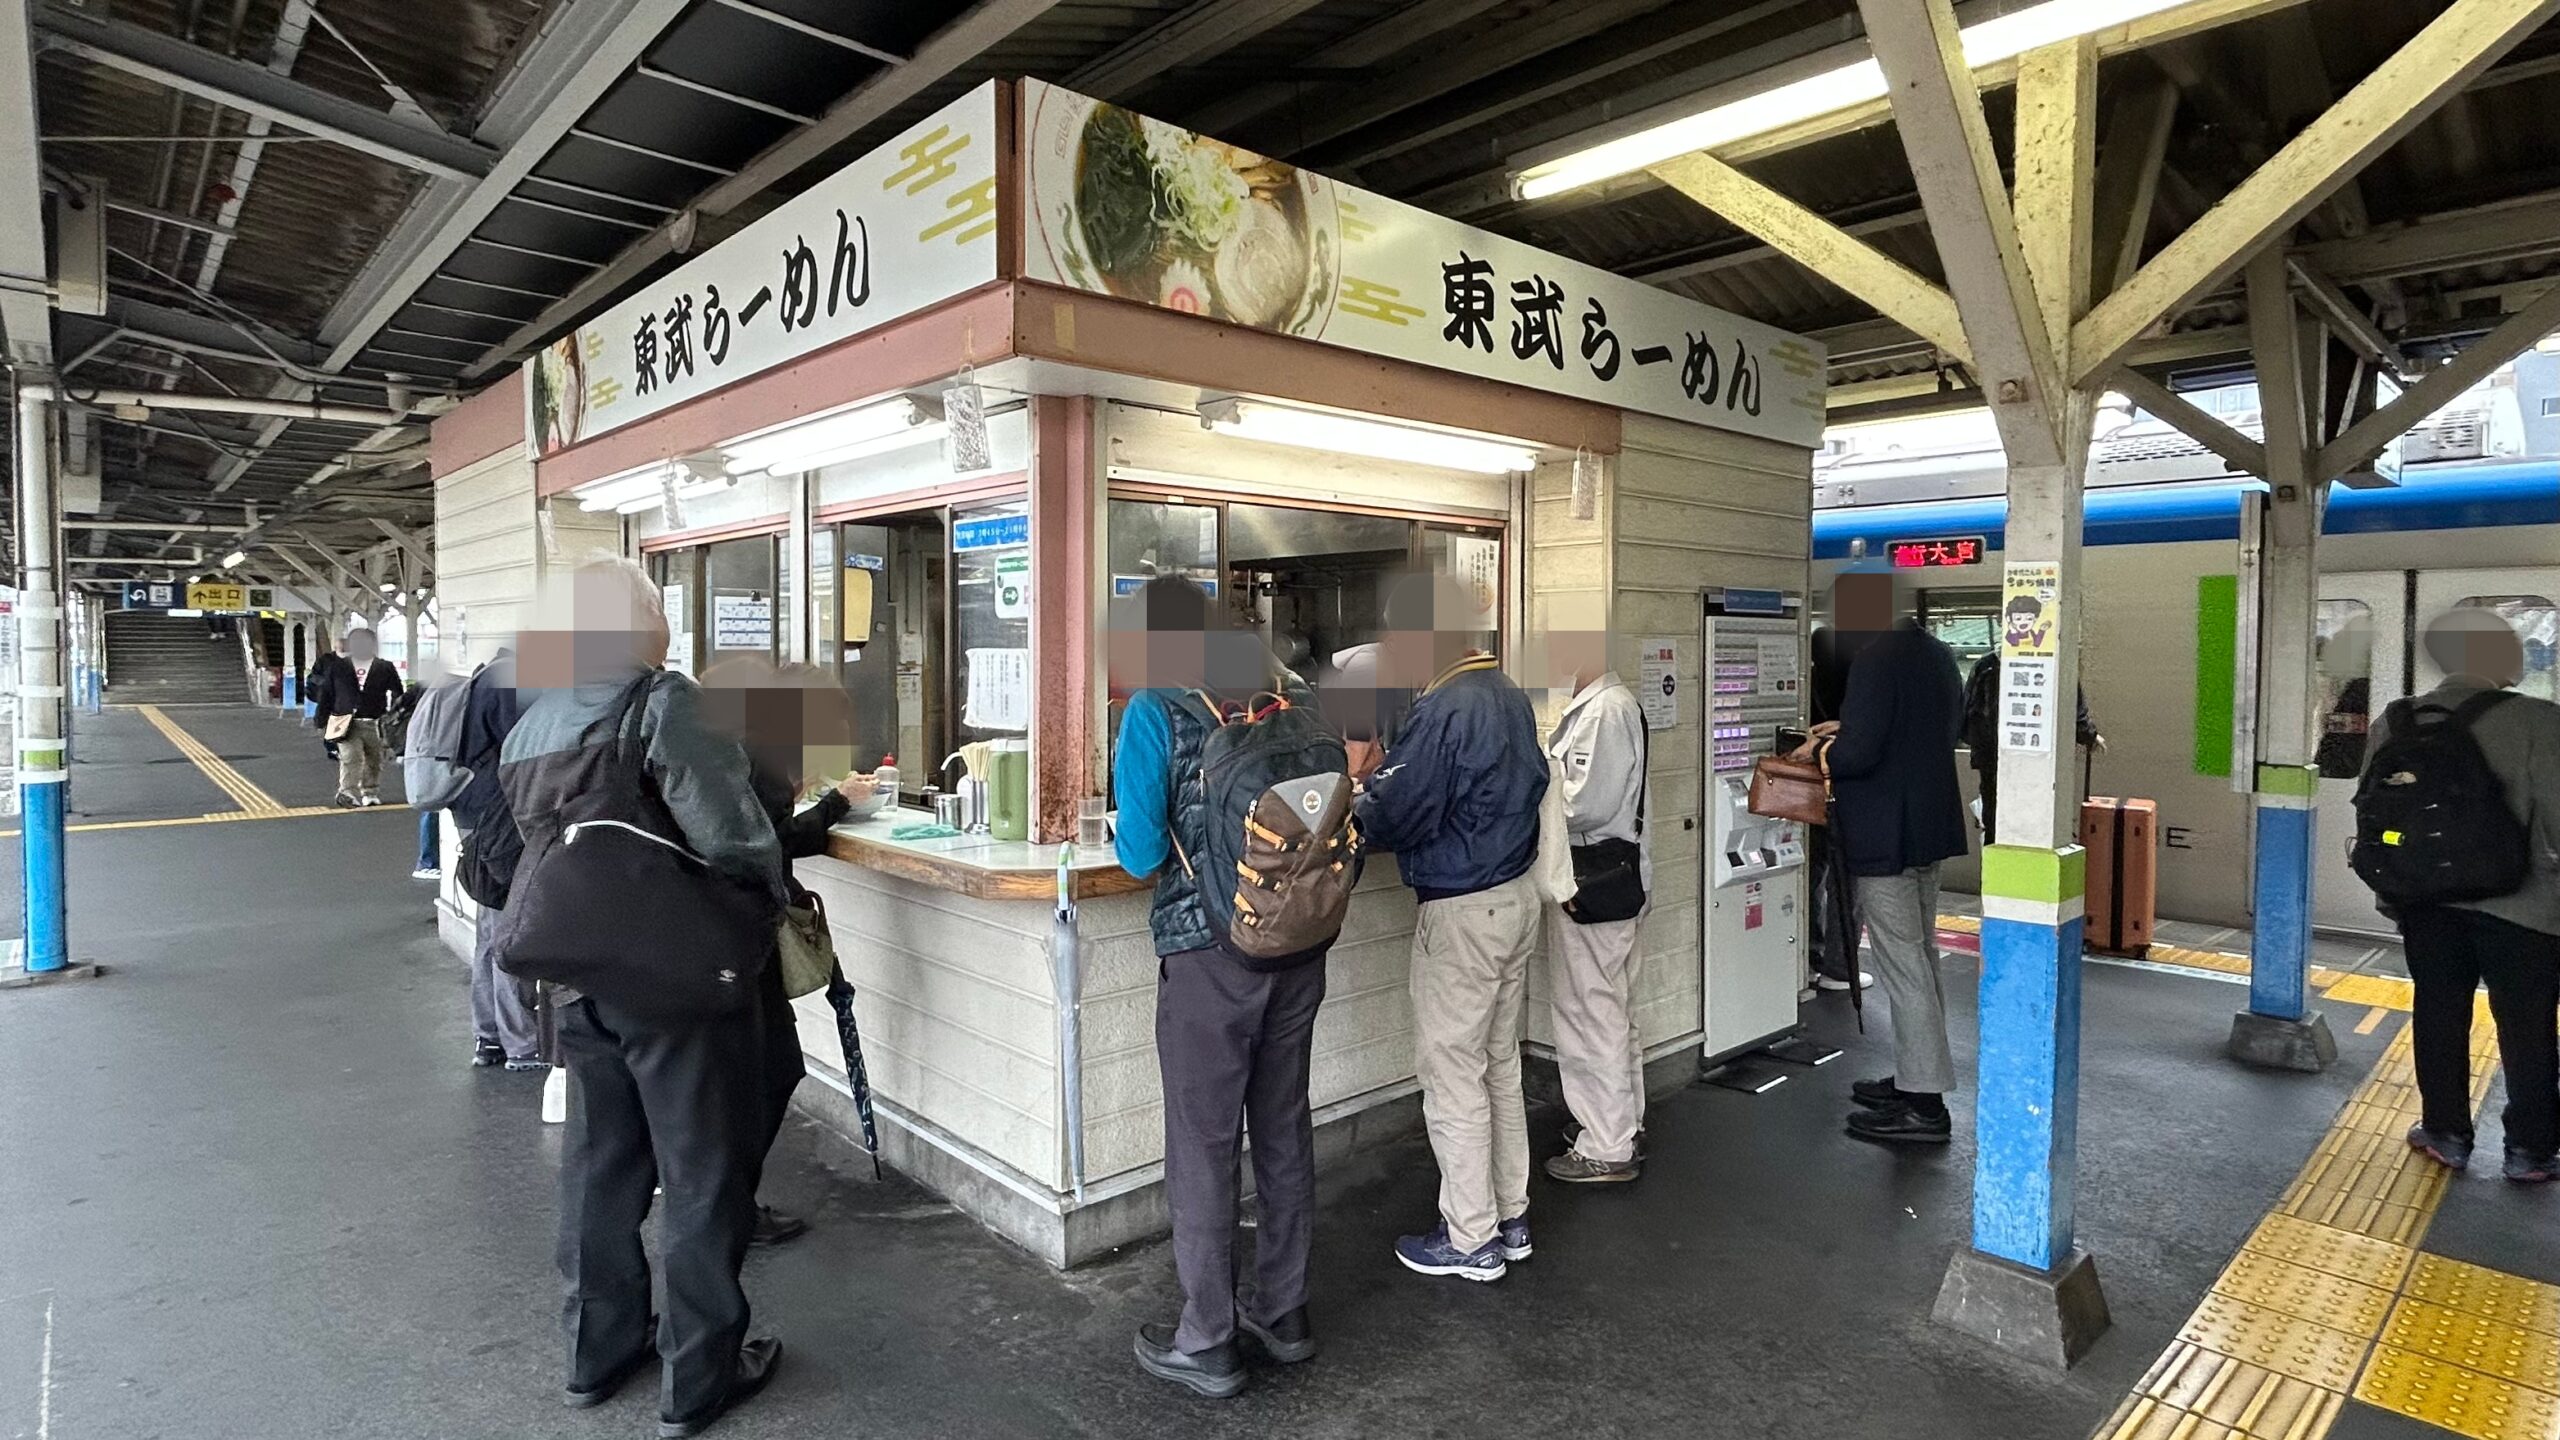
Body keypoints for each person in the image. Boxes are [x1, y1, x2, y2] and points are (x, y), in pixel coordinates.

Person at [499, 560, 789, 1434]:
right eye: (657, 606)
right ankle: (698, 1374)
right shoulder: (664, 699)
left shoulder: (535, 720)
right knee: (702, 1173)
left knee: (602, 1168)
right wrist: (759, 900)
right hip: (674, 981)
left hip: (580, 975)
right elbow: (732, 833)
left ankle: (599, 1351)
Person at [1112, 576, 1328, 1399]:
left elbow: (1138, 856)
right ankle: (1284, 1311)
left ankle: (1205, 1339)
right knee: (1282, 1126)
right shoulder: (1288, 696)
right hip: (1297, 947)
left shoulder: (1156, 712)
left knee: (1204, 1144)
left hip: (1208, 954)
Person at [1356, 571, 1548, 1282]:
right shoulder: (1504, 692)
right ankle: (1510, 1216)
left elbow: (1399, 810)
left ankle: (1469, 1239)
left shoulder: (1446, 706)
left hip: (1464, 909)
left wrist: (1357, 798)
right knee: (1497, 1064)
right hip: (1514, 898)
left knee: (1453, 1073)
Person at [2369, 610, 2559, 1184]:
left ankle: (2446, 1134)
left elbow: (2376, 811)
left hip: (2426, 902)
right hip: (2522, 904)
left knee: (2439, 1009)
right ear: (2495, 656)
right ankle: (2530, 1149)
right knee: (2526, 1023)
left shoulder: (2395, 721)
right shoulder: (2539, 720)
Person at [700, 657, 878, 1249]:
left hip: (715, 938)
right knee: (774, 1071)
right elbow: (772, 845)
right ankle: (728, 1207)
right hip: (739, 942)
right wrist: (836, 806)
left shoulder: (737, 747)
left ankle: (726, 1202)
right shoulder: (765, 756)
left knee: (752, 1075)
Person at [1796, 573, 1969, 1145]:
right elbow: (1925, 732)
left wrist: (1823, 747)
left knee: (1903, 967)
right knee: (1923, 956)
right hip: (1929, 827)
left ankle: (1924, 1107)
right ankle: (1918, 1078)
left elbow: (1862, 755)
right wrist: (1851, 729)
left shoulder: (1874, 661)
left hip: (1885, 836)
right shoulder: (1937, 653)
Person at [1541, 625, 1651, 1184]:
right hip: (1615, 876)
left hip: (1592, 876)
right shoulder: (1600, 705)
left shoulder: (1606, 709)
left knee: (1589, 1011)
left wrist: (1535, 788)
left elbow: (1587, 803)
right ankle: (1621, 1123)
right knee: (1611, 1008)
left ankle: (1605, 1144)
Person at [452, 646, 540, 1073]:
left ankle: (489, 1038)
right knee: (510, 924)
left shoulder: (485, 675)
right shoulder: (512, 680)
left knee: (489, 929)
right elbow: (523, 746)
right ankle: (521, 1043)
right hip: (502, 816)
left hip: (476, 812)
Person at [1961, 653, 2103, 835]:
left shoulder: (1986, 667)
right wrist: (2089, 735)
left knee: (1996, 823)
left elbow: (1966, 718)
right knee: (2037, 824)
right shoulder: (2054, 663)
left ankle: (1997, 858)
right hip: (2040, 761)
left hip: (1992, 762)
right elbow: (2073, 709)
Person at [315, 628, 401, 806]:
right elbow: (327, 694)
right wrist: (321, 719)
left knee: (374, 759)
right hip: (345, 721)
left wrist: (393, 716)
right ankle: (347, 791)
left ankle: (370, 791)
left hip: (376, 720)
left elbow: (397, 692)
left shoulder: (384, 667)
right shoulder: (338, 667)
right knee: (350, 757)